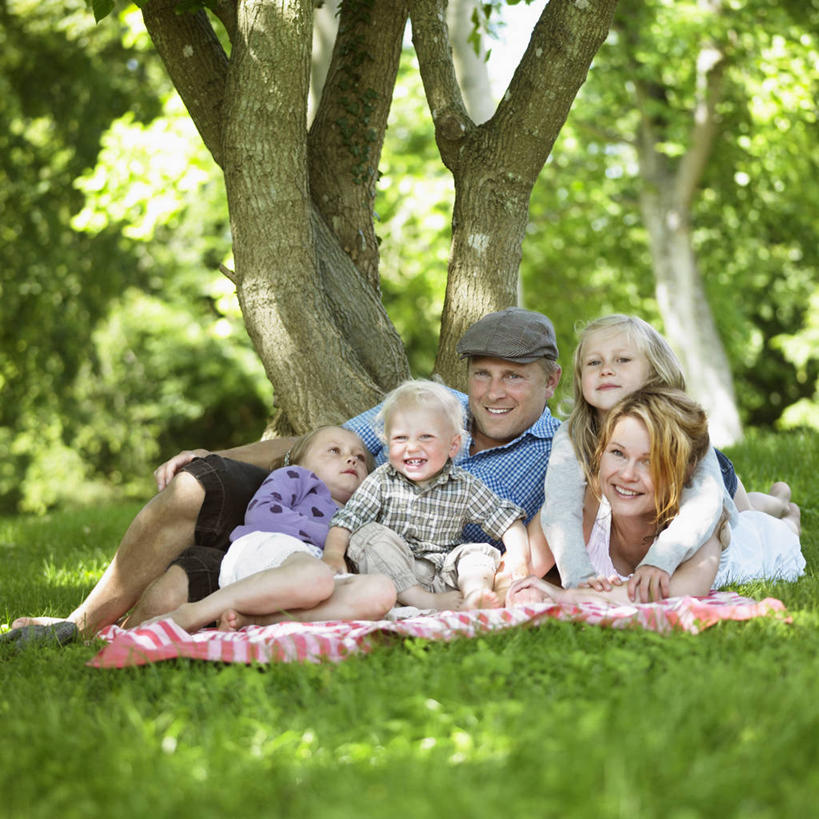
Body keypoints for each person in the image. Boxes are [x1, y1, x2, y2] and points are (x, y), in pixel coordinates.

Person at [10, 307, 562, 636]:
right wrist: (214, 455)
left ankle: (151, 630)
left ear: (552, 380)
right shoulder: (433, 402)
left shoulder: (556, 452)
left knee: (169, 597)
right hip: (303, 519)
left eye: (514, 377)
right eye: (483, 374)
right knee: (195, 484)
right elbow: (315, 445)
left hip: (386, 568)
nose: (492, 392)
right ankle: (78, 624)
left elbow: (538, 548)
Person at [533, 314, 795, 602]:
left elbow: (704, 505)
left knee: (747, 522)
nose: (606, 370)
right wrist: (577, 578)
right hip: (640, 490)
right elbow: (561, 506)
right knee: (746, 519)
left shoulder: (680, 427)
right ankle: (774, 499)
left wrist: (659, 559)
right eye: (594, 362)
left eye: (622, 360)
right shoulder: (574, 433)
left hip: (703, 481)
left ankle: (784, 506)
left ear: (655, 372)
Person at [508, 386, 804, 607]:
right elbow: (524, 569)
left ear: (685, 471)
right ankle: (773, 497)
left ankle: (786, 509)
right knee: (754, 504)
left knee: (775, 525)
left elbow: (682, 591)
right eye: (618, 453)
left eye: (649, 461)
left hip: (754, 542)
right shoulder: (582, 509)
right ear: (600, 452)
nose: (627, 474)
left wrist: (565, 597)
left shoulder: (698, 526)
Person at [140, 426, 396, 633]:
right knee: (313, 577)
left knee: (381, 592)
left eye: (360, 457)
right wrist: (333, 540)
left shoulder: (363, 513)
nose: (351, 458)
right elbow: (262, 514)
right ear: (301, 462)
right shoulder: (298, 477)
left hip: (317, 577)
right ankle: (195, 612)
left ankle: (254, 620)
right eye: (333, 451)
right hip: (270, 549)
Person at [324, 380, 531, 611]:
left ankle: (475, 594)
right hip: (394, 573)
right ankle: (421, 600)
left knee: (478, 551)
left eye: (426, 437)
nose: (412, 447)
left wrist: (519, 557)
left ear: (452, 446)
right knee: (368, 535)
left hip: (445, 576)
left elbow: (505, 520)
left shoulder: (463, 485)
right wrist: (333, 554)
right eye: (401, 438)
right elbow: (348, 519)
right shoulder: (382, 479)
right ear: (387, 442)